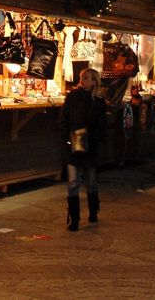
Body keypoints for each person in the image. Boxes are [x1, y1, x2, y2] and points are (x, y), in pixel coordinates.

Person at [59, 67, 106, 231]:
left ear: (94, 81)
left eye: (86, 78)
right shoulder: (72, 97)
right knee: (73, 182)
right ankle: (75, 218)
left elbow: (102, 125)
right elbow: (64, 118)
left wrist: (93, 138)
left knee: (91, 182)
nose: (82, 80)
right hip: (74, 145)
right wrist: (67, 137)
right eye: (82, 77)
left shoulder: (98, 101)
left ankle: (93, 211)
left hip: (90, 146)